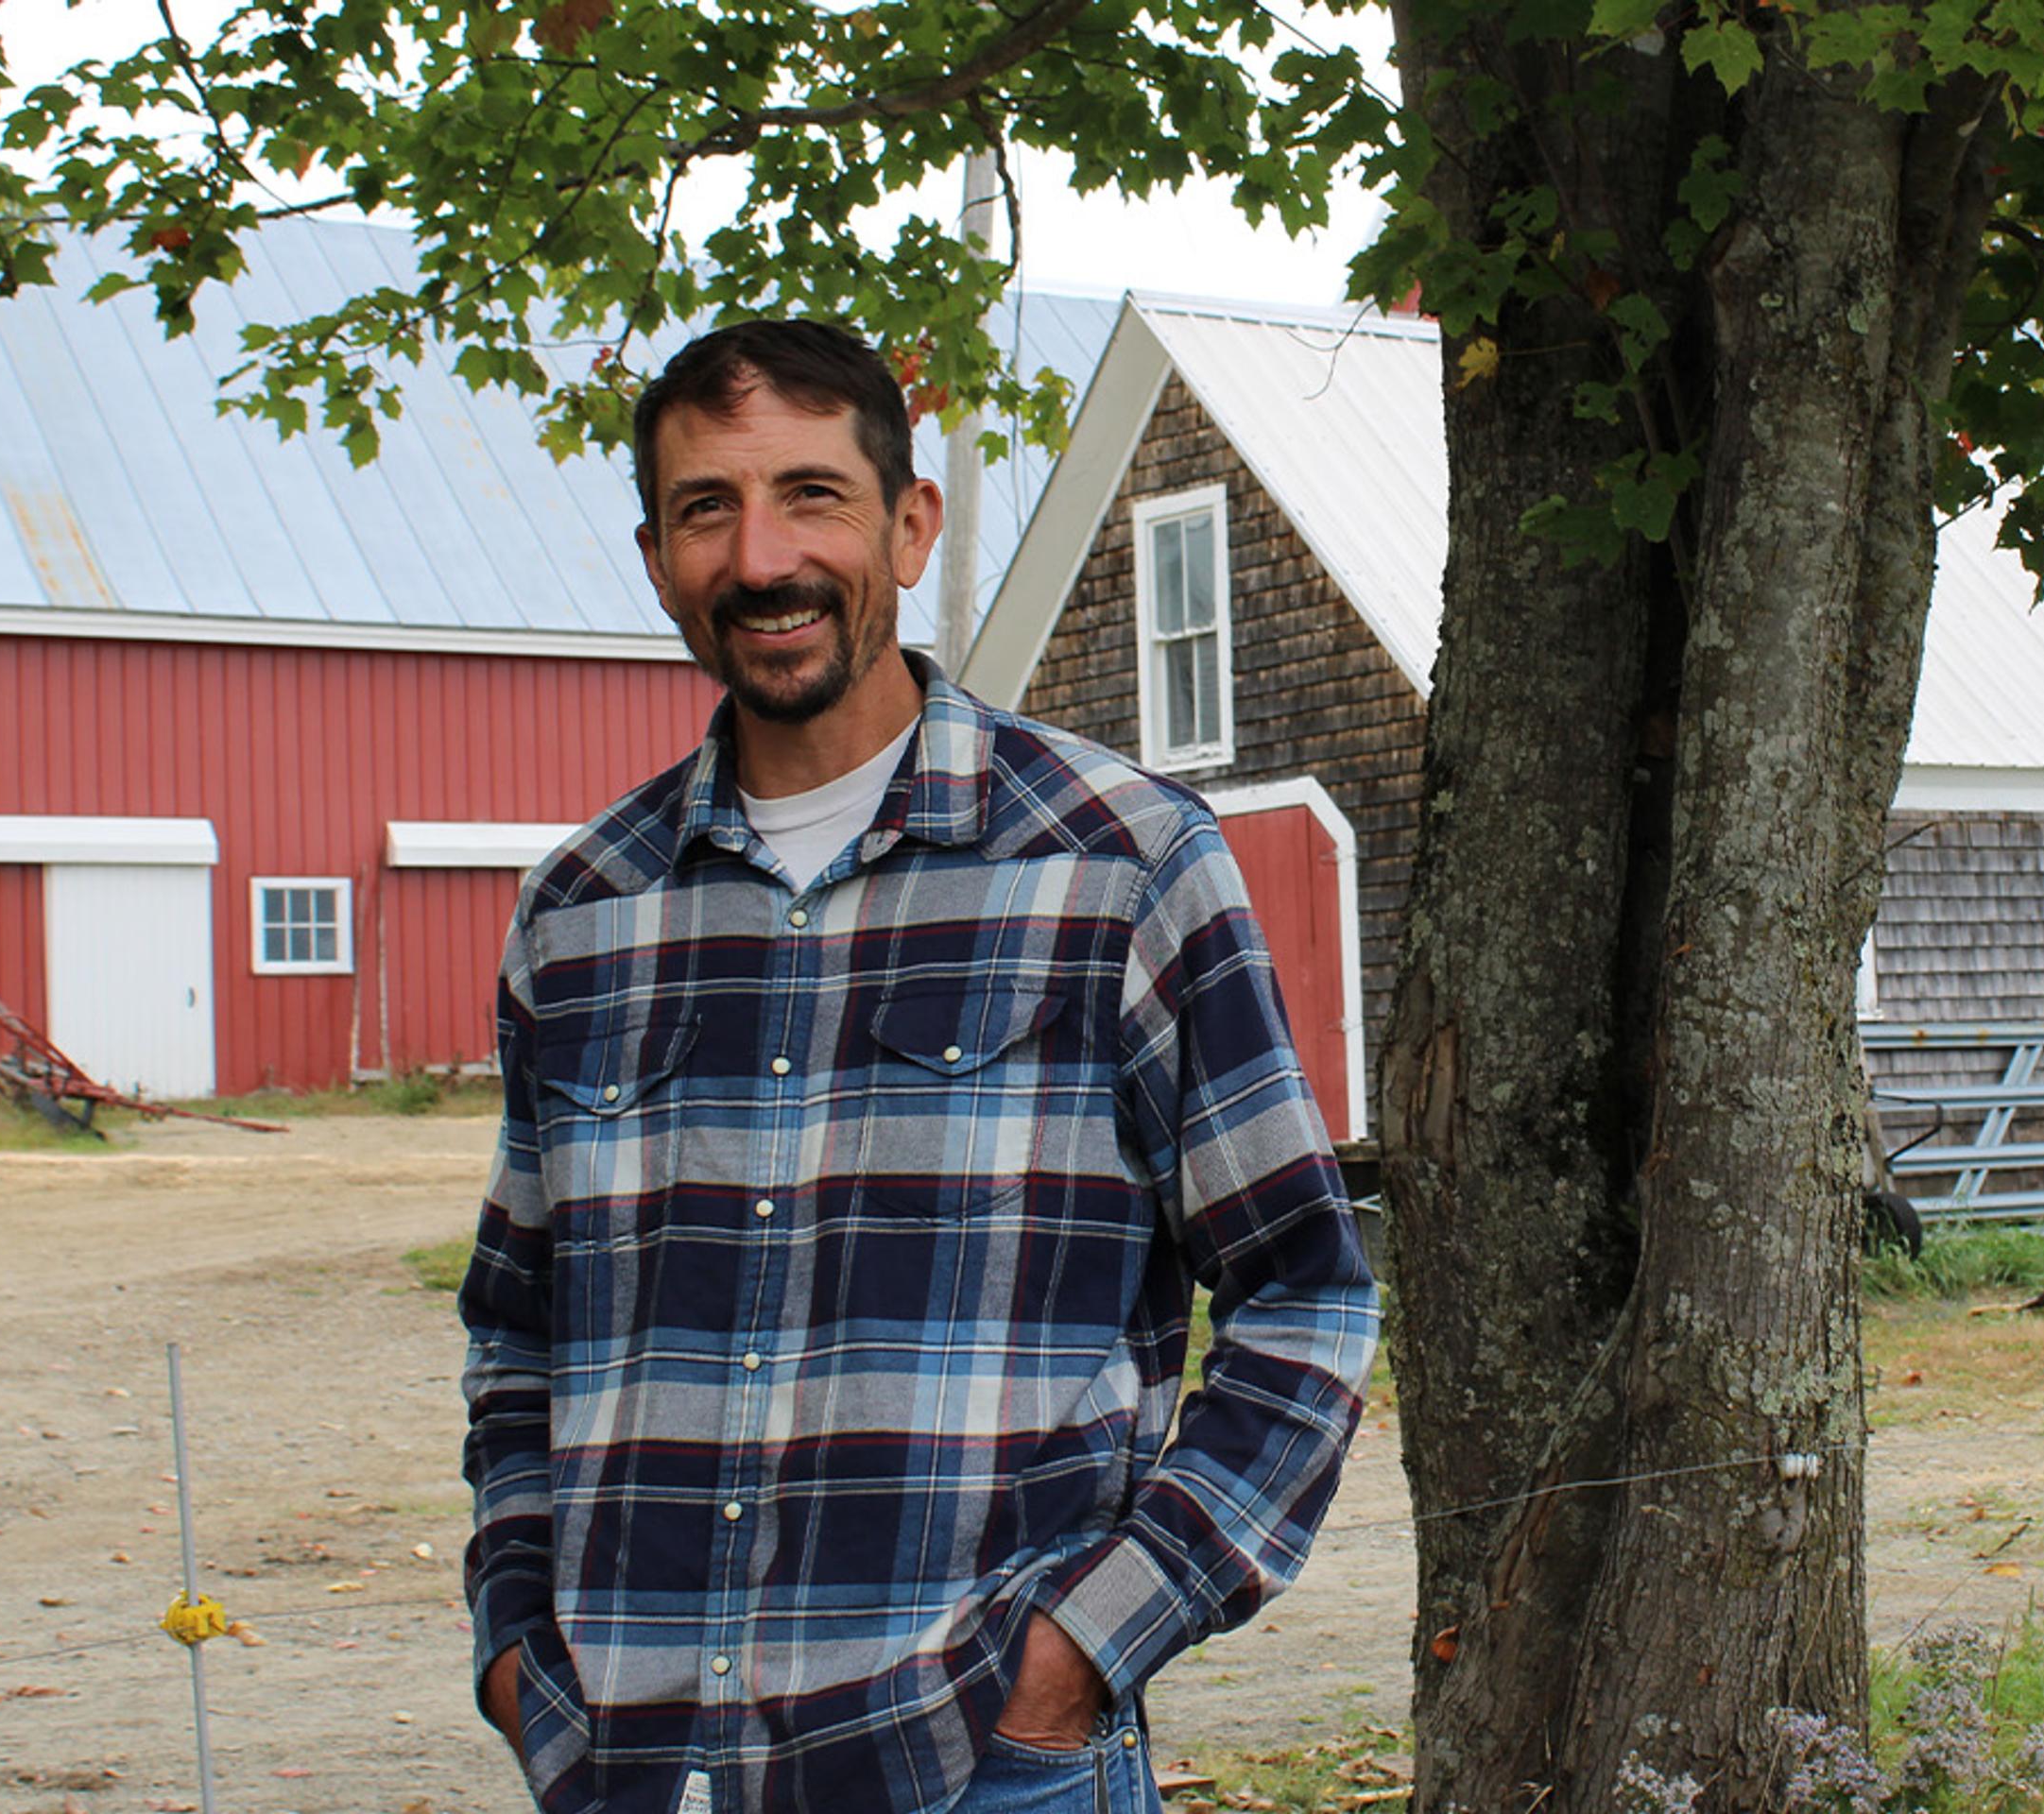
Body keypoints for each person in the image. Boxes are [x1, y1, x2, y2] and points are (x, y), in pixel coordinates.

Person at [457, 317, 1380, 1814]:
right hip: (633, 1770)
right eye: (708, 509)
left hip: (975, 1763)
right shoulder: (585, 912)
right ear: (655, 554)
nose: (762, 556)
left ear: (909, 521)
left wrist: (1084, 1649)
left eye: (811, 494)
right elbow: (517, 1331)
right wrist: (518, 1647)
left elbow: (1306, 1291)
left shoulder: (1121, 867)